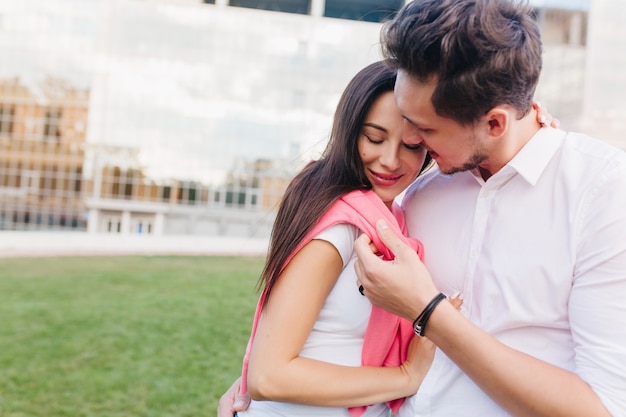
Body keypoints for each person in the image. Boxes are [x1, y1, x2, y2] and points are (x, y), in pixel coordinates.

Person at [350, 0, 626, 416]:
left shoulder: (602, 193)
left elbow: (601, 408)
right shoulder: (420, 186)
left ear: (495, 123)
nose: (409, 139)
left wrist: (428, 311)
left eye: (425, 128)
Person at [227, 60, 445, 417]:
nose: (390, 160)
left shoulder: (382, 216)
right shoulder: (342, 225)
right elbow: (269, 377)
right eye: (374, 138)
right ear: (348, 131)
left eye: (411, 145)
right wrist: (406, 376)